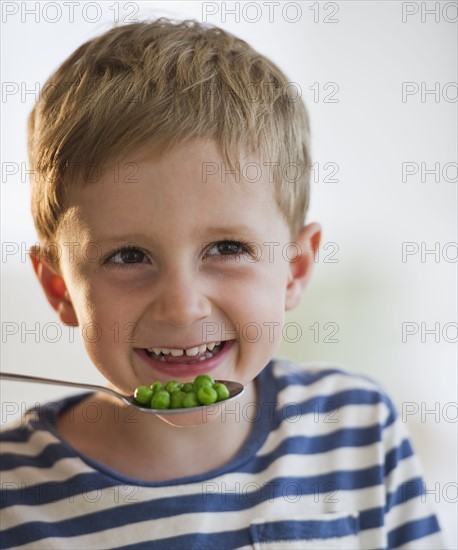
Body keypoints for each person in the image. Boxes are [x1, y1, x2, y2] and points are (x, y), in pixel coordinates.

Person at [0, 19, 444, 549]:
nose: (183, 308)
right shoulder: (14, 494)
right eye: (128, 256)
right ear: (59, 289)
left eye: (227, 249)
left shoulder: (357, 428)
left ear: (294, 269)